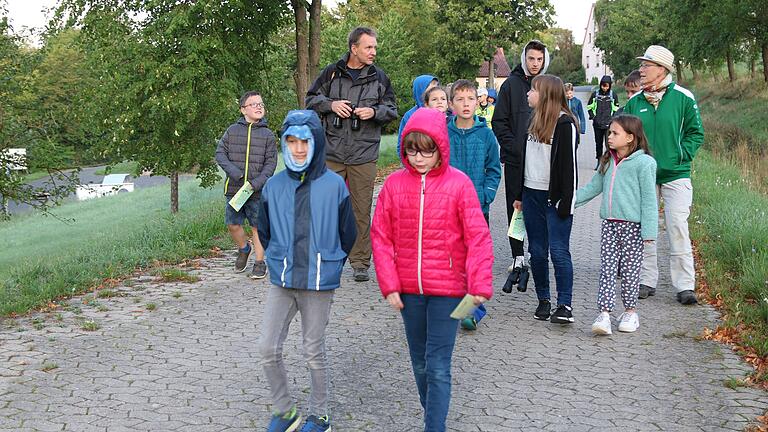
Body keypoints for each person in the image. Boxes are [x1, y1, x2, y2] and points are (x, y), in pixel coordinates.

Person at [371, 107, 494, 432]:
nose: (419, 158)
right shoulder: (394, 186)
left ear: (440, 147)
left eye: (426, 150)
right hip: (409, 291)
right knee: (420, 363)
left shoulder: (459, 185)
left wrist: (478, 284)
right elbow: (380, 237)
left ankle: (433, 427)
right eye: (411, 150)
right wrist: (389, 283)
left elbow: (478, 237)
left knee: (438, 365)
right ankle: (433, 415)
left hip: (449, 292)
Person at [257, 110, 357, 432]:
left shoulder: (334, 186)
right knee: (268, 348)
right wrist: (276, 258)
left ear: (316, 143)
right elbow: (265, 229)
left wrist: (329, 264)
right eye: (292, 141)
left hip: (318, 283)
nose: (298, 149)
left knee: (313, 350)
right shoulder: (273, 187)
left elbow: (348, 234)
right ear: (284, 144)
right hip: (283, 281)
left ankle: (319, 415)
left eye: (305, 141)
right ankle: (285, 411)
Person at [305, 26, 398, 283]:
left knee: (360, 210)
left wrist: (374, 112)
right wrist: (330, 105)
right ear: (353, 48)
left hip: (364, 153)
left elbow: (392, 109)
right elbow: (310, 99)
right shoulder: (331, 73)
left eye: (375, 47)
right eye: (368, 47)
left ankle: (359, 263)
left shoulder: (380, 77)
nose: (373, 52)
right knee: (325, 207)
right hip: (332, 151)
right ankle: (321, 257)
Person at [624, 45, 704, 305]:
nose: (641, 69)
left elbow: (696, 133)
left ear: (662, 69)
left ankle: (685, 285)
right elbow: (625, 139)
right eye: (642, 64)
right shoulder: (634, 103)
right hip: (645, 176)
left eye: (647, 65)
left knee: (677, 226)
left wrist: (681, 155)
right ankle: (646, 280)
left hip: (676, 174)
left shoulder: (683, 98)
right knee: (645, 228)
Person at [575, 114, 658, 335]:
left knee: (631, 271)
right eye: (609, 132)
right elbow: (592, 188)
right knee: (608, 269)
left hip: (633, 227)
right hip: (610, 225)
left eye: (614, 133)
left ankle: (630, 312)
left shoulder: (645, 163)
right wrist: (568, 202)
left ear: (630, 137)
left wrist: (649, 232)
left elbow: (650, 200)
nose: (609, 137)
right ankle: (604, 313)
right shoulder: (607, 160)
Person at [516, 74, 578, 324]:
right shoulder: (532, 121)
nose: (528, 94)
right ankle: (544, 300)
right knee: (537, 251)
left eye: (532, 90)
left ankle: (565, 305)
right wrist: (519, 195)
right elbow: (524, 162)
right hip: (531, 195)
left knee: (559, 251)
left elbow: (569, 169)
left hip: (556, 199)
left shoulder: (565, 124)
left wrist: (567, 202)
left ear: (547, 95)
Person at [492, 40, 550, 291]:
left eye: (539, 59)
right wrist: (513, 146)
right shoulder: (511, 85)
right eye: (531, 59)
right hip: (516, 160)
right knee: (516, 208)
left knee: (538, 207)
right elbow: (499, 122)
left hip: (542, 161)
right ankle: (517, 255)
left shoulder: (548, 86)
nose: (535, 64)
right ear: (524, 58)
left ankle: (539, 253)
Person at [446, 79, 502, 330]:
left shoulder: (486, 134)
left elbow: (493, 169)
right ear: (451, 105)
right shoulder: (444, 133)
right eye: (460, 99)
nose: (466, 104)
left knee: (474, 260)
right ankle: (460, 306)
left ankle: (472, 310)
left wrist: (486, 193)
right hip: (448, 208)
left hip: (478, 208)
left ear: (477, 102)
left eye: (470, 99)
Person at [215, 90, 277, 278]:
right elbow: (220, 154)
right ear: (243, 109)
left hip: (258, 191)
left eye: (261, 104)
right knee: (233, 224)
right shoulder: (232, 131)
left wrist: (256, 183)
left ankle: (259, 262)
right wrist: (235, 174)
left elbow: (271, 163)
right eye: (254, 104)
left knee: (257, 226)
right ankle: (244, 249)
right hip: (235, 190)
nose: (259, 107)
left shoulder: (268, 135)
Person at [398, 75, 439, 155]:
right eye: (431, 89)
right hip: (416, 159)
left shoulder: (443, 112)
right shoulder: (410, 115)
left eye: (437, 87)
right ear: (421, 91)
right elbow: (401, 143)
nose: (435, 91)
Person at [587, 75, 620, 169]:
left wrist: (612, 119)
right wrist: (593, 117)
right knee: (598, 143)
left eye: (607, 86)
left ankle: (608, 161)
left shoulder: (613, 95)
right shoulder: (595, 94)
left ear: (610, 86)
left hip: (609, 125)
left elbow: (616, 109)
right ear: (600, 85)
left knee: (609, 143)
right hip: (597, 124)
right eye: (603, 86)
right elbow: (589, 106)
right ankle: (599, 160)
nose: (604, 88)